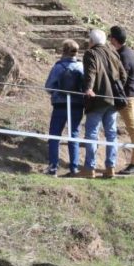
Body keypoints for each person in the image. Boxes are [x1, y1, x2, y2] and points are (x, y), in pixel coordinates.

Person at [75, 28, 127, 179]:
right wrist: (115, 89)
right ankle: (110, 167)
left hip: (97, 100)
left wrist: (89, 88)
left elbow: (90, 72)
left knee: (92, 133)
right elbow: (123, 75)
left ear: (92, 41)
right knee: (111, 134)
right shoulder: (113, 52)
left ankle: (89, 168)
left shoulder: (91, 53)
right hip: (112, 101)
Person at [44, 39, 85, 177]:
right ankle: (74, 167)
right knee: (73, 134)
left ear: (63, 51)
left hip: (60, 104)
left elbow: (48, 87)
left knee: (54, 135)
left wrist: (57, 92)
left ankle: (53, 167)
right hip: (77, 105)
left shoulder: (58, 67)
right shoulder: (81, 67)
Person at [109, 26, 134, 175]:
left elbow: (120, 79)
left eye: (110, 37)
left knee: (133, 130)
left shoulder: (123, 55)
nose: (109, 39)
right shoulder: (127, 52)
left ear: (114, 40)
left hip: (126, 97)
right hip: (128, 95)